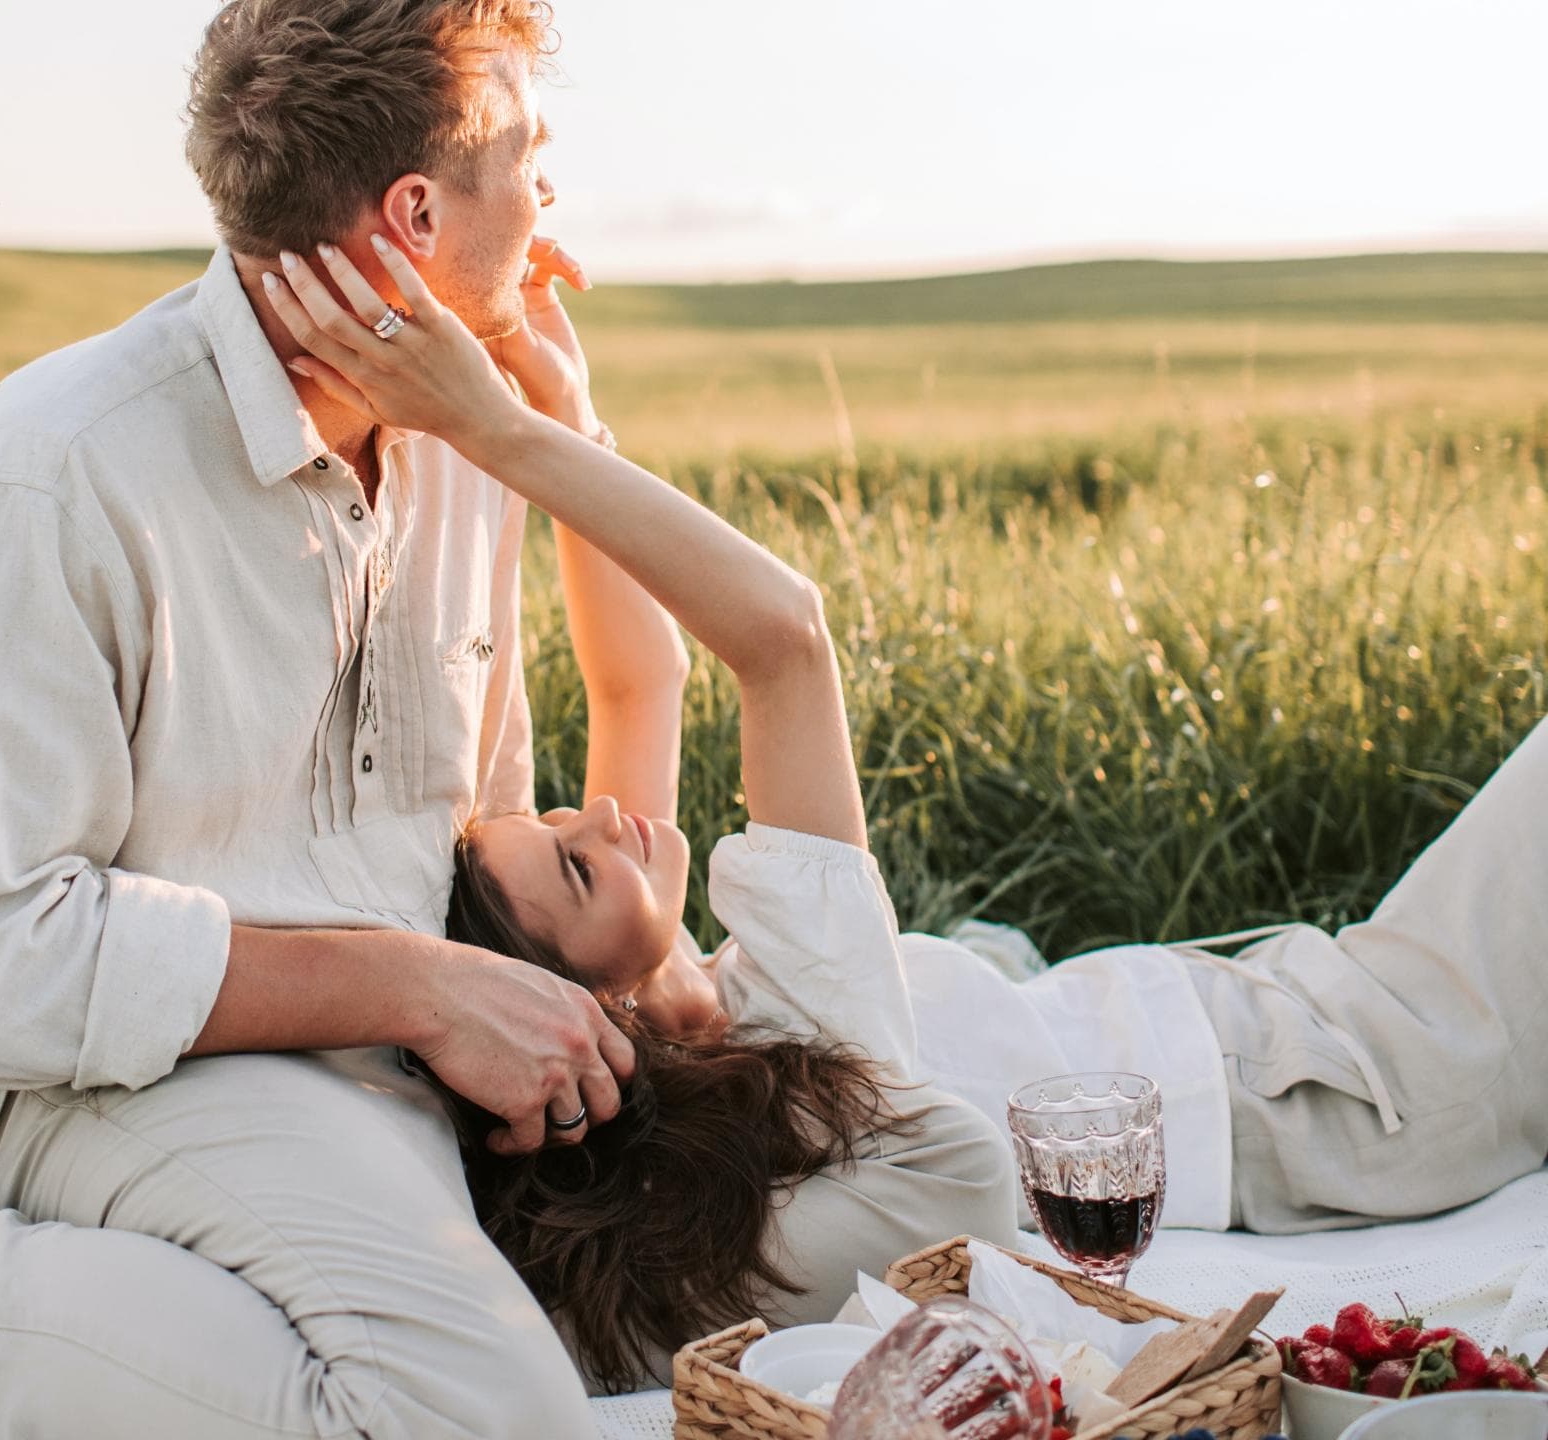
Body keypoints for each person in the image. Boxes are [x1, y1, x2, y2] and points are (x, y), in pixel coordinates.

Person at [249, 225, 1548, 1391]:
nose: (600, 819)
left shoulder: (683, 1008)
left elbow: (639, 678)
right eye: (579, 866)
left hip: (1249, 1024)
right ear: (579, 1026)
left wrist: (562, 402)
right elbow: (784, 644)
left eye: (564, 823)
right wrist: (503, 438)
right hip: (1334, 1088)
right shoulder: (799, 1029)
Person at [0, 5, 657, 1439]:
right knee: (484, 1421)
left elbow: (471, 826)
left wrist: (575, 976)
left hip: (382, 1101)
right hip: (110, 1085)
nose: (550, 199)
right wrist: (415, 990)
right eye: (528, 159)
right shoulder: (52, 470)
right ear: (416, 216)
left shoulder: (467, 452)